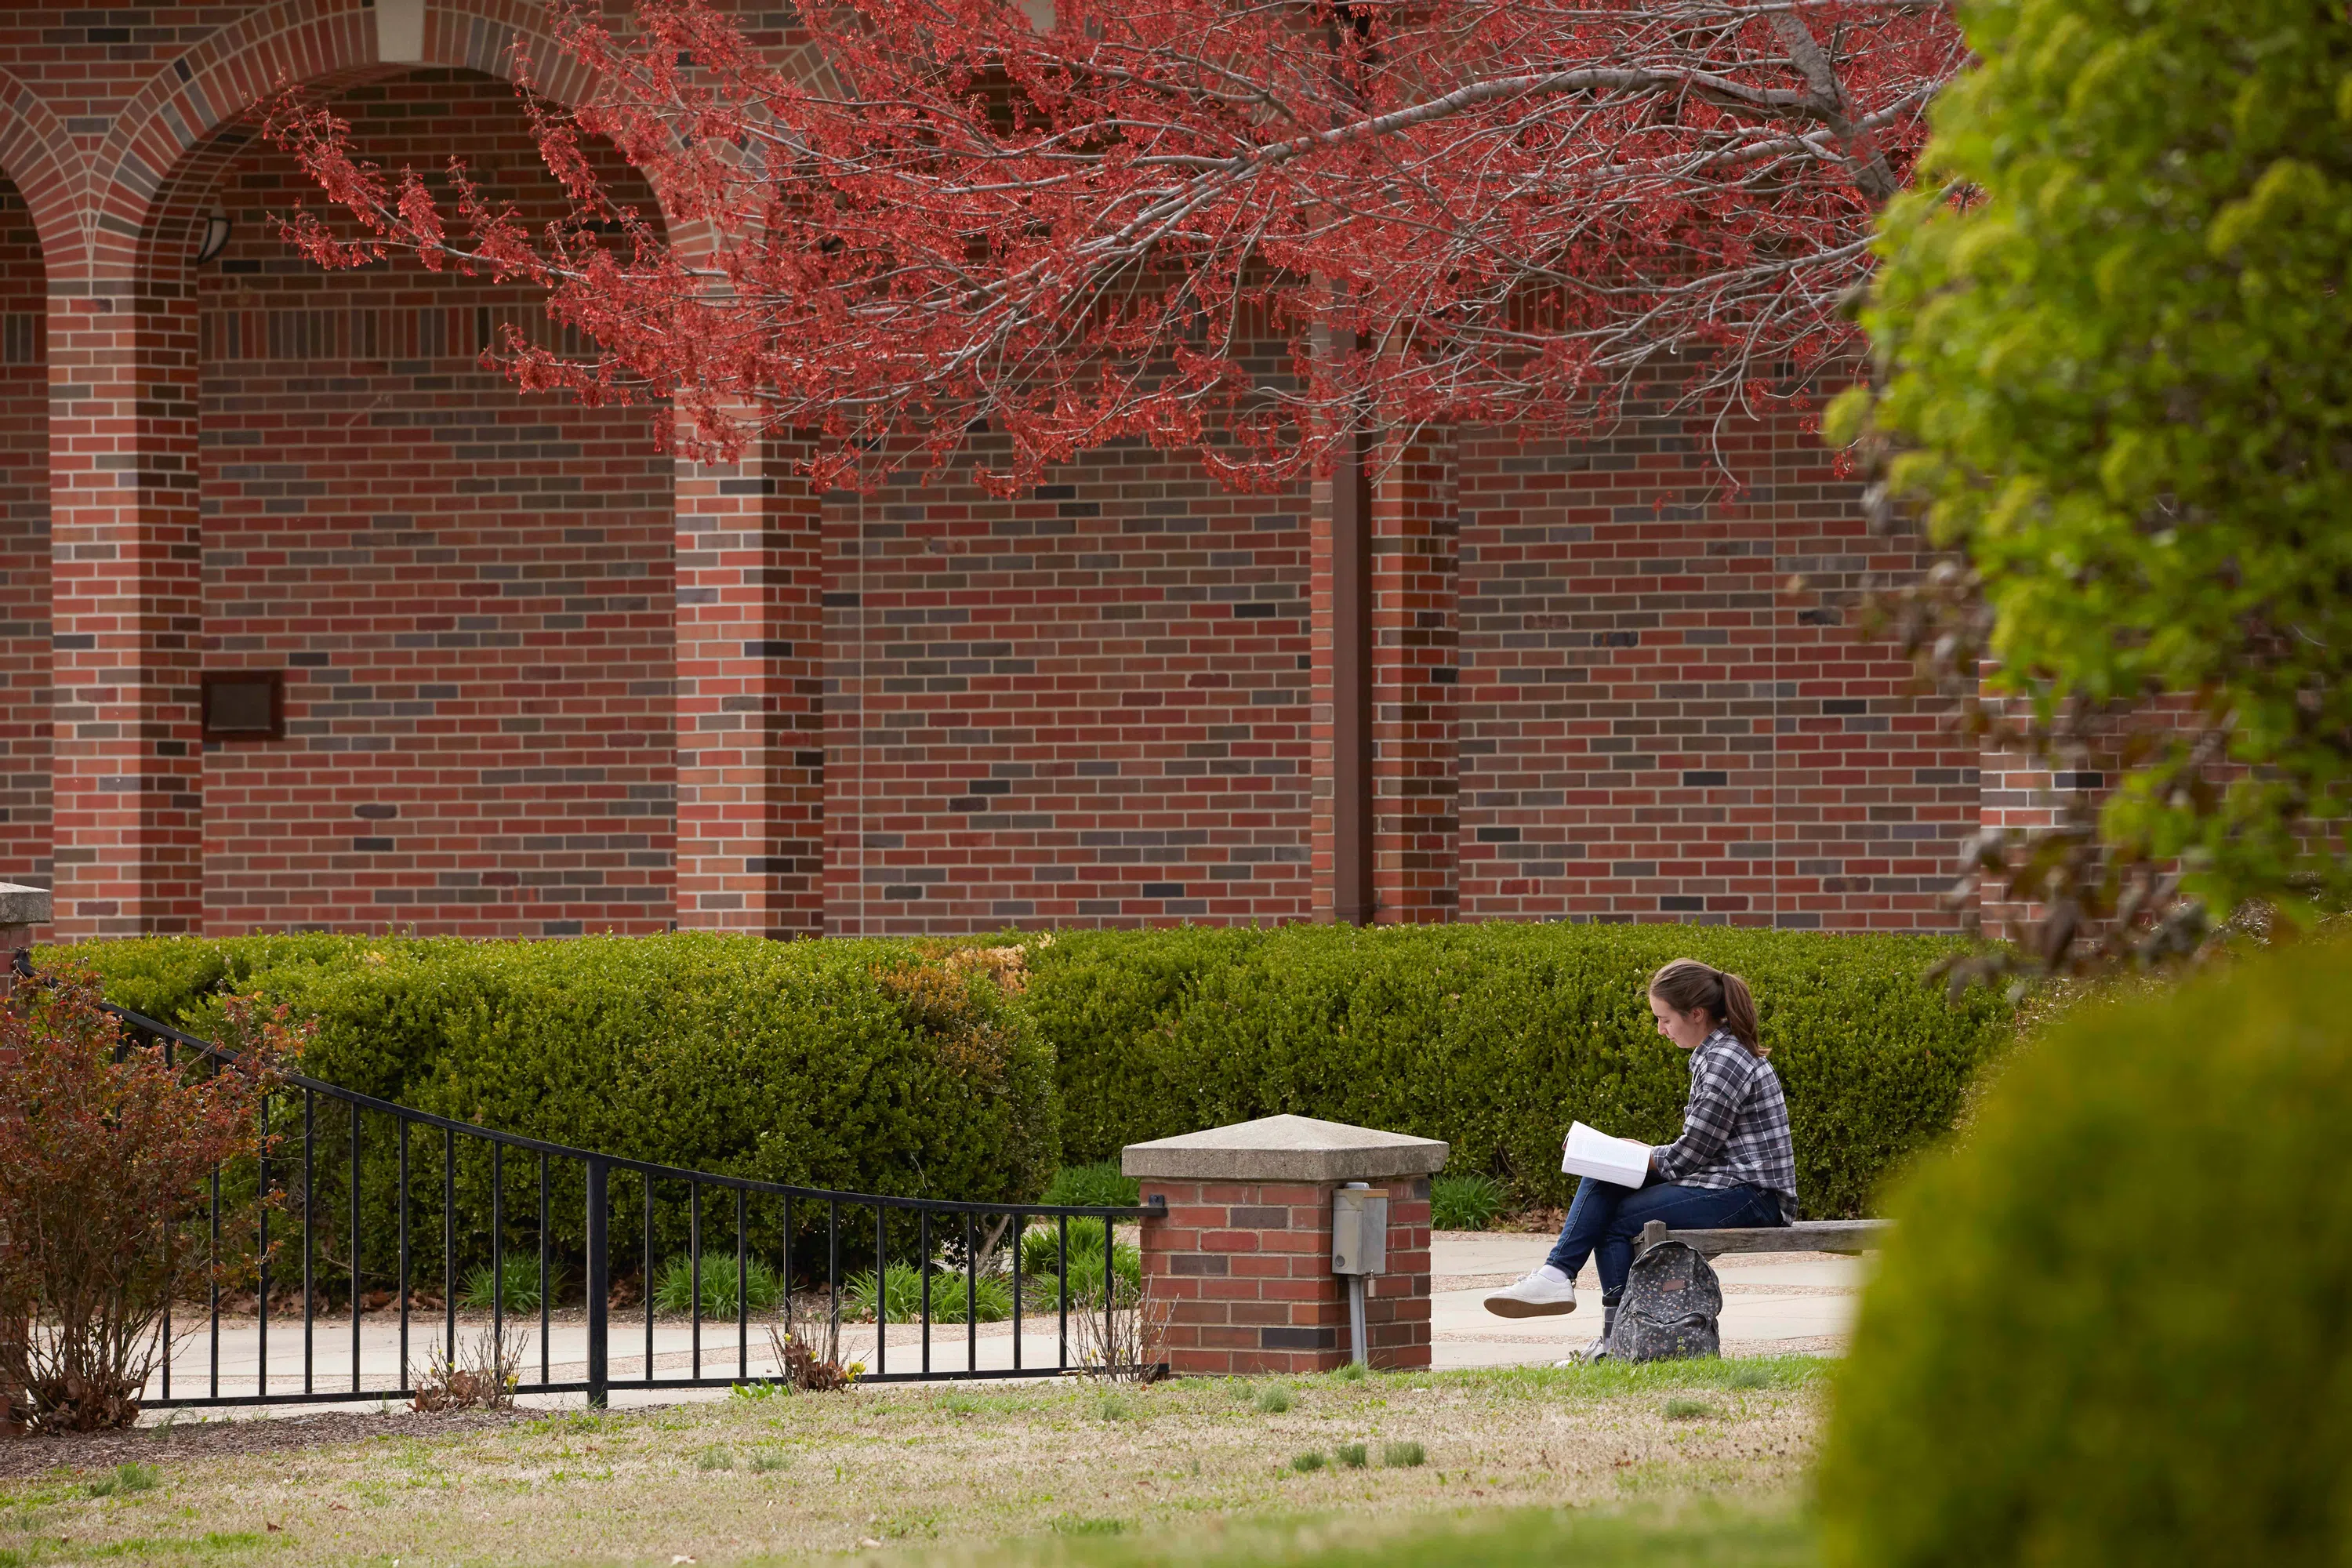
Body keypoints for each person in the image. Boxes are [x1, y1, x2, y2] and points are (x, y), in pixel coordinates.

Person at [1483, 958, 1795, 1348]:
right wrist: (1636, 1153)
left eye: (1665, 1019)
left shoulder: (1724, 1061)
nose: (1661, 1030)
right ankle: (1565, 1286)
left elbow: (1688, 1158)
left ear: (1696, 1014)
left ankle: (1602, 1326)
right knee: (1607, 1172)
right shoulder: (1718, 1054)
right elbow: (1700, 1151)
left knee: (1612, 1216)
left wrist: (1639, 1156)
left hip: (1753, 1198)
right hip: (1730, 1185)